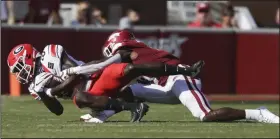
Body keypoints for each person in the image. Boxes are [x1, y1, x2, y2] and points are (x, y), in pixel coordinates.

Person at [73, 30, 278, 124]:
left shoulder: (128, 51)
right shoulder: (129, 55)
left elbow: (153, 67)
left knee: (205, 115)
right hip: (163, 86)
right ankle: (101, 117)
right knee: (122, 90)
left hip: (178, 78)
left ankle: (257, 113)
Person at [7, 44, 202, 122]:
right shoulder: (34, 86)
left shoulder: (51, 52)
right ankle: (133, 107)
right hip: (89, 95)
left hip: (93, 75)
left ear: (30, 57)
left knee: (133, 68)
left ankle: (184, 69)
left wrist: (51, 91)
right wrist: (43, 93)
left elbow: (76, 75)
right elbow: (58, 110)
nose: (19, 74)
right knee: (79, 97)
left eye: (19, 67)